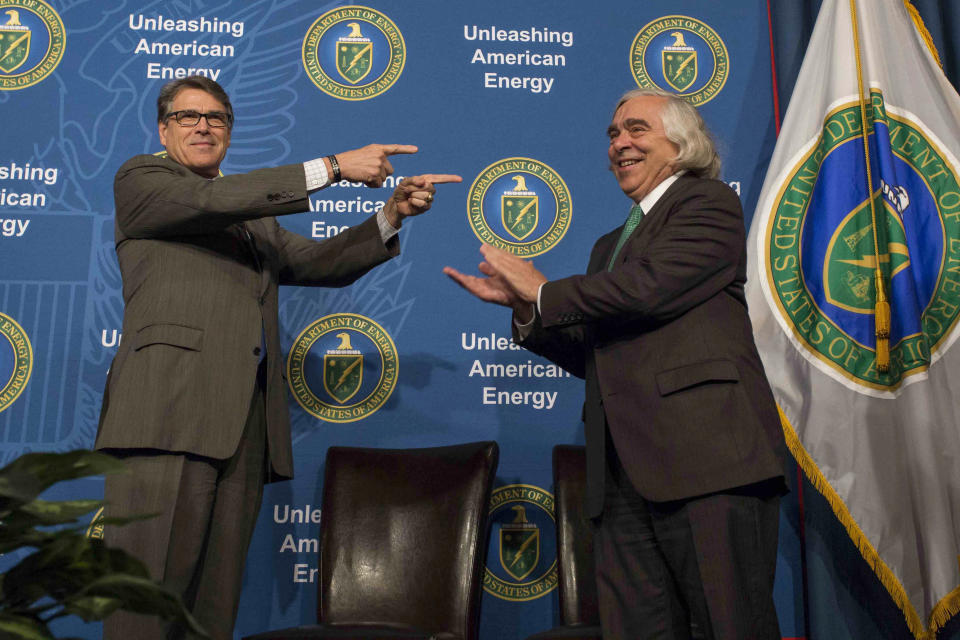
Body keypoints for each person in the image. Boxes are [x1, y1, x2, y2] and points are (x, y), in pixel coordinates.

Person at [95, 75, 460, 639]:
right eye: (189, 116)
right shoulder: (143, 179)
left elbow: (320, 263)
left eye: (216, 118)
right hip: (165, 421)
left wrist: (391, 216)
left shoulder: (253, 216)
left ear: (230, 133)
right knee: (144, 611)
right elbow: (207, 200)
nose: (203, 126)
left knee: (210, 617)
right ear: (163, 128)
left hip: (241, 431)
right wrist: (335, 167)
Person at [445, 88, 786, 639]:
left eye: (636, 129)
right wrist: (528, 310)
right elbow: (596, 351)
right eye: (612, 134)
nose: (619, 143)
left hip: (708, 464)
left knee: (730, 627)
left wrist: (548, 291)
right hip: (622, 476)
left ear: (680, 145)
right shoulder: (609, 245)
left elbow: (649, 289)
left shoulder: (709, 204)